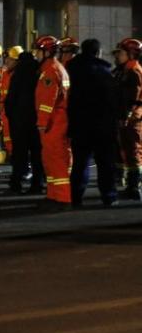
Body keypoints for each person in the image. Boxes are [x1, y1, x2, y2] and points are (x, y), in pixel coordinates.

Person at [66, 39, 119, 207]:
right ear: (98, 52)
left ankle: (76, 196)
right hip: (102, 125)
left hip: (79, 124)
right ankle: (109, 196)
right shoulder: (105, 72)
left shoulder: (71, 70)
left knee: (80, 163)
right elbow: (113, 101)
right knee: (105, 163)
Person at [34, 35, 73, 208]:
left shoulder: (50, 70)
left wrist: (42, 123)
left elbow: (47, 100)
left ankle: (63, 198)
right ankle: (53, 195)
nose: (36, 54)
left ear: (47, 52)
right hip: (57, 119)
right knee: (49, 158)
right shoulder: (56, 68)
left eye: (38, 50)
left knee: (56, 159)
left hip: (54, 121)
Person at [5, 48, 44, 194]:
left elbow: (11, 98)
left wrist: (12, 116)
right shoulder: (38, 72)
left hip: (20, 122)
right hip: (36, 120)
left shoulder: (18, 74)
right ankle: (37, 184)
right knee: (36, 154)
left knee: (19, 154)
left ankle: (16, 184)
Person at [113, 38, 142, 201]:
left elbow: (133, 97)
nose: (119, 56)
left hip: (132, 118)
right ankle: (130, 185)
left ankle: (134, 187)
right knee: (127, 150)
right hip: (127, 116)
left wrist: (126, 115)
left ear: (131, 54)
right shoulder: (125, 70)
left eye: (122, 53)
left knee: (134, 151)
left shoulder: (134, 71)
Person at [0, 46, 23, 172]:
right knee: (7, 139)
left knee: (15, 141)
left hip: (13, 112)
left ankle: (22, 167)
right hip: (4, 110)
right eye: (7, 58)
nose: (7, 61)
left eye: (10, 59)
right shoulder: (6, 73)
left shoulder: (18, 75)